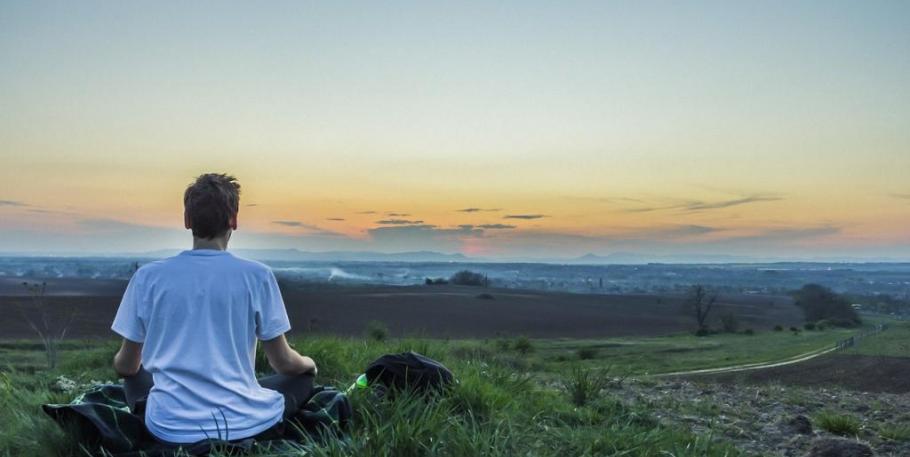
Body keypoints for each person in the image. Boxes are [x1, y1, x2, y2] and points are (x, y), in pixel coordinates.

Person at [110, 173, 317, 445]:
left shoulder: (148, 277)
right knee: (301, 380)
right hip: (243, 423)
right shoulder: (258, 276)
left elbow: (125, 366)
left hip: (168, 427)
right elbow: (284, 363)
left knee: (136, 376)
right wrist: (309, 364)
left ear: (187, 220)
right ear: (234, 220)